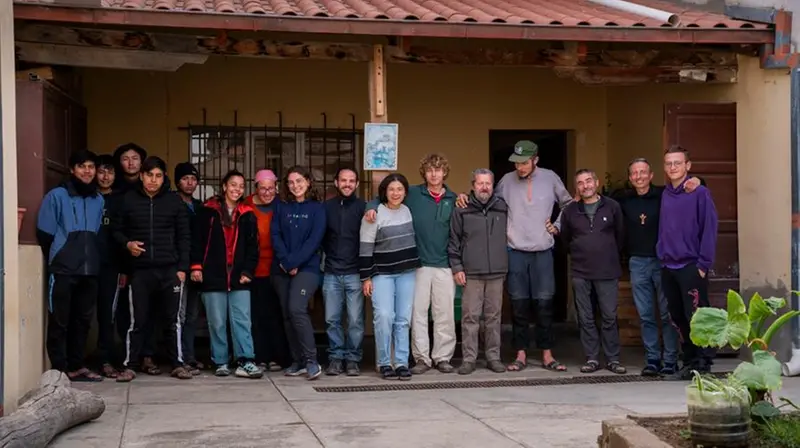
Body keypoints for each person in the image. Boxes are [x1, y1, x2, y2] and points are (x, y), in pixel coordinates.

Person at [459, 140, 572, 372]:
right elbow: (487, 200)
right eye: (517, 163)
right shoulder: (506, 181)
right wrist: (464, 197)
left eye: (524, 163)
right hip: (515, 250)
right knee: (519, 305)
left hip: (543, 250)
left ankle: (547, 354)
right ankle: (520, 354)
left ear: (535, 160)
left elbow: (569, 203)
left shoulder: (550, 178)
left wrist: (557, 225)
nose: (520, 167)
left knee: (544, 304)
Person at [365, 154, 458, 374]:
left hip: (445, 264)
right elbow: (385, 197)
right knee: (417, 314)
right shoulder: (413, 194)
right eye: (429, 170)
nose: (434, 174)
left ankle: (442, 357)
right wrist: (369, 206)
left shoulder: (454, 198)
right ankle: (422, 358)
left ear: (445, 172)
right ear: (424, 173)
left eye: (438, 169)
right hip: (418, 265)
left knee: (444, 313)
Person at [613, 159, 703, 376]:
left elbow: (695, 188)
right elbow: (597, 201)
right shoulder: (623, 200)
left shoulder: (664, 195)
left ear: (651, 175)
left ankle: (670, 359)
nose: (639, 176)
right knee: (645, 315)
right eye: (634, 173)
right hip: (636, 262)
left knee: (667, 314)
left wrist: (697, 180)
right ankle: (652, 359)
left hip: (663, 261)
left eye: (643, 172)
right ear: (630, 177)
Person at [112, 156, 192, 382]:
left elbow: (184, 237)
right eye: (149, 175)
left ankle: (177, 363)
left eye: (158, 176)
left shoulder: (174, 201)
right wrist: (127, 244)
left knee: (172, 321)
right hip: (141, 271)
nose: (153, 180)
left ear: (163, 177)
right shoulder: (128, 200)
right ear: (141, 176)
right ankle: (130, 365)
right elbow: (116, 231)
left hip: (170, 270)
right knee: (137, 320)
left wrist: (182, 268)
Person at [37, 150, 105, 382]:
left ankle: (76, 366)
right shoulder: (57, 196)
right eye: (81, 166)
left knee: (82, 322)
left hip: (90, 270)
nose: (87, 171)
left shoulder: (98, 199)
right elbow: (45, 233)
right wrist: (62, 255)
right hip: (64, 270)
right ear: (72, 169)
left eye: (91, 167)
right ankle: (59, 370)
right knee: (59, 321)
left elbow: (97, 233)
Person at [191, 170, 262, 378]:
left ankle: (245, 361)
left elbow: (253, 247)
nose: (237, 189)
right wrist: (196, 266)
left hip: (239, 276)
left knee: (242, 320)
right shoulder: (208, 211)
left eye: (241, 186)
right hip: (213, 275)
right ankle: (220, 361)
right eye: (233, 184)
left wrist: (248, 270)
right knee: (217, 321)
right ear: (224, 186)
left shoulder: (247, 213)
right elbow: (197, 241)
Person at [554, 169, 626, 374]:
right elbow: (565, 240)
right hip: (580, 272)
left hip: (607, 271)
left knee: (609, 316)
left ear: (596, 182)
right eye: (580, 183)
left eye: (588, 181)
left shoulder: (612, 207)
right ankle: (592, 358)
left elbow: (621, 237)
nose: (585, 186)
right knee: (585, 318)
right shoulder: (570, 211)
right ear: (576, 187)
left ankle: (613, 359)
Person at [657, 145, 718, 381]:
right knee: (677, 316)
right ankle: (690, 362)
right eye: (669, 163)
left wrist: (703, 264)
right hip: (668, 265)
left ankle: (703, 364)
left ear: (687, 166)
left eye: (677, 163)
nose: (673, 167)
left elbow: (709, 228)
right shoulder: (665, 194)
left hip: (692, 265)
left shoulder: (700, 193)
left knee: (697, 316)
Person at [360, 173, 420, 380]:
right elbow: (365, 249)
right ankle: (384, 362)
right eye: (391, 189)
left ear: (405, 192)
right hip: (381, 274)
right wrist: (365, 278)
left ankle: (402, 362)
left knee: (403, 319)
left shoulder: (408, 211)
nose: (395, 193)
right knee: (384, 316)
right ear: (384, 191)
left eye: (400, 189)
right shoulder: (374, 213)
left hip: (407, 273)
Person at [448, 169, 508, 375]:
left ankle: (493, 357)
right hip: (471, 273)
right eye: (480, 183)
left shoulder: (503, 207)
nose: (484, 187)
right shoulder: (461, 209)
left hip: (497, 272)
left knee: (493, 318)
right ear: (473, 185)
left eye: (488, 184)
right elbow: (453, 241)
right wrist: (457, 267)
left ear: (493, 186)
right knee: (470, 318)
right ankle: (469, 359)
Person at [271, 166, 326, 380]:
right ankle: (298, 361)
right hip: (282, 268)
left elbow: (315, 240)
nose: (295, 186)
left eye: (299, 181)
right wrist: (286, 262)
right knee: (287, 314)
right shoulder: (281, 207)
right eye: (291, 182)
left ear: (309, 182)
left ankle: (312, 360)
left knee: (296, 309)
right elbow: (275, 235)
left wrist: (294, 262)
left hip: (308, 268)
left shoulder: (317, 209)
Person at [322, 168, 366, 376]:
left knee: (356, 320)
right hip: (331, 272)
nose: (347, 184)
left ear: (357, 184)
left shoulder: (364, 208)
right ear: (336, 182)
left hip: (355, 273)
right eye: (343, 180)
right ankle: (336, 358)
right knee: (332, 319)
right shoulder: (326, 208)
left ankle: (353, 359)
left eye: (351, 181)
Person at [244, 169, 289, 372]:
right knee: (256, 315)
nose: (267, 192)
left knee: (276, 314)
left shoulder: (282, 205)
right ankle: (259, 356)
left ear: (276, 188)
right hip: (253, 267)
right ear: (256, 188)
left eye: (271, 188)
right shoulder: (246, 205)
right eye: (263, 188)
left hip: (277, 267)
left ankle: (277, 357)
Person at [93, 154, 124, 378]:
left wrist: (124, 269)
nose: (105, 176)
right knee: (82, 315)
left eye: (110, 172)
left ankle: (106, 359)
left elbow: (124, 236)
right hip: (84, 265)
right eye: (101, 171)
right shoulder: (85, 196)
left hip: (111, 266)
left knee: (108, 315)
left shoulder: (120, 200)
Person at [174, 162, 204, 374]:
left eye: (193, 179)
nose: (190, 183)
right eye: (185, 179)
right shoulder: (171, 203)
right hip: (178, 267)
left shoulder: (200, 206)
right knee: (179, 315)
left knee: (192, 315)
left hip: (197, 267)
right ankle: (178, 357)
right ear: (177, 181)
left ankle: (189, 355)